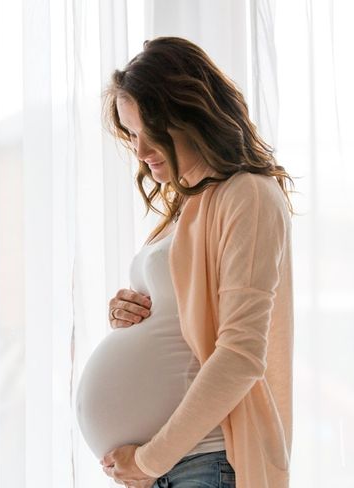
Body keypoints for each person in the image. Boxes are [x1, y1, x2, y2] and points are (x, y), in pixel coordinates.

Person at [97, 37, 297, 488]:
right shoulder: (186, 207)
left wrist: (150, 460)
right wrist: (128, 315)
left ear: (193, 116)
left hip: (205, 458)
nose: (142, 150)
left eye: (153, 129)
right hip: (174, 465)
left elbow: (241, 355)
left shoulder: (248, 195)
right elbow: (184, 326)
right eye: (132, 134)